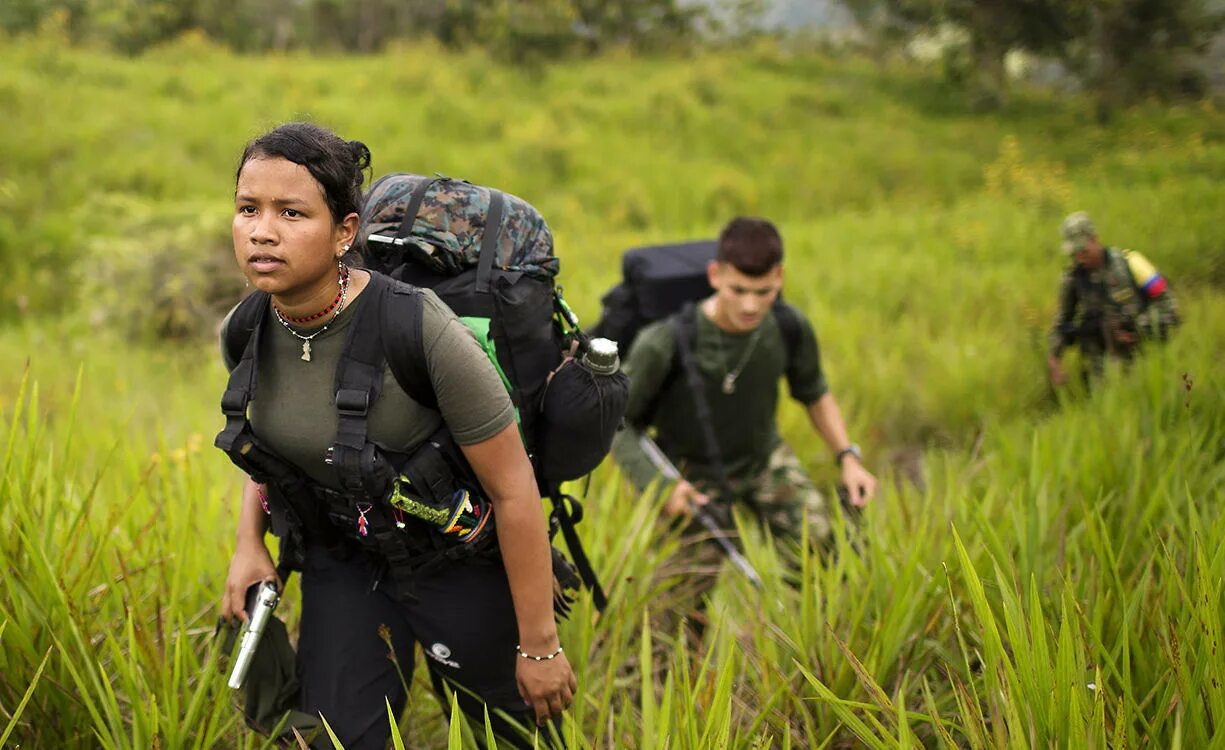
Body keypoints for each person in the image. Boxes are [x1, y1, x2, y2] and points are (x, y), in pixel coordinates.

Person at [217, 122, 575, 749]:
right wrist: (250, 543)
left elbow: (515, 491)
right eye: (249, 208)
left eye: (292, 213)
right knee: (333, 740)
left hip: (454, 560)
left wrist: (540, 647)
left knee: (509, 736)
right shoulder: (247, 328)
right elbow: (269, 447)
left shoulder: (418, 329)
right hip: (346, 562)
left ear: (345, 233)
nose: (262, 230)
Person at [610, 217, 878, 624]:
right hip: (690, 475)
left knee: (824, 548)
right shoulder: (666, 341)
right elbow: (619, 422)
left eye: (763, 292)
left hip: (762, 459)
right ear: (715, 275)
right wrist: (661, 487)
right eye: (738, 290)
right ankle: (662, 674)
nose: (750, 305)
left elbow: (814, 391)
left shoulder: (788, 327)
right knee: (680, 598)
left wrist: (848, 456)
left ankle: (819, 641)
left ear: (779, 278)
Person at [1047, 211, 1181, 385]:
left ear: (1095, 239)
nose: (1080, 258)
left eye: (1083, 251)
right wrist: (1054, 362)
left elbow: (1167, 303)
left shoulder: (1132, 263)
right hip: (1100, 364)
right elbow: (1062, 322)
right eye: (1074, 253)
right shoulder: (1073, 278)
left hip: (1144, 354)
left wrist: (1138, 328)